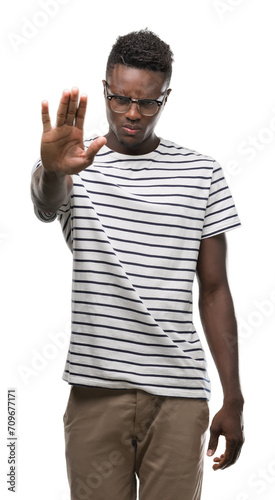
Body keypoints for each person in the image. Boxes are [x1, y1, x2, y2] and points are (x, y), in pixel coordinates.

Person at [31, 29, 244, 500]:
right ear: (106, 87)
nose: (131, 112)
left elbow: (214, 290)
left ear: (166, 96)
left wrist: (234, 397)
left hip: (179, 395)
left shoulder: (202, 173)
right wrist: (53, 170)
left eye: (147, 102)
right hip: (95, 392)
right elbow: (48, 205)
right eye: (120, 97)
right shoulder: (73, 160)